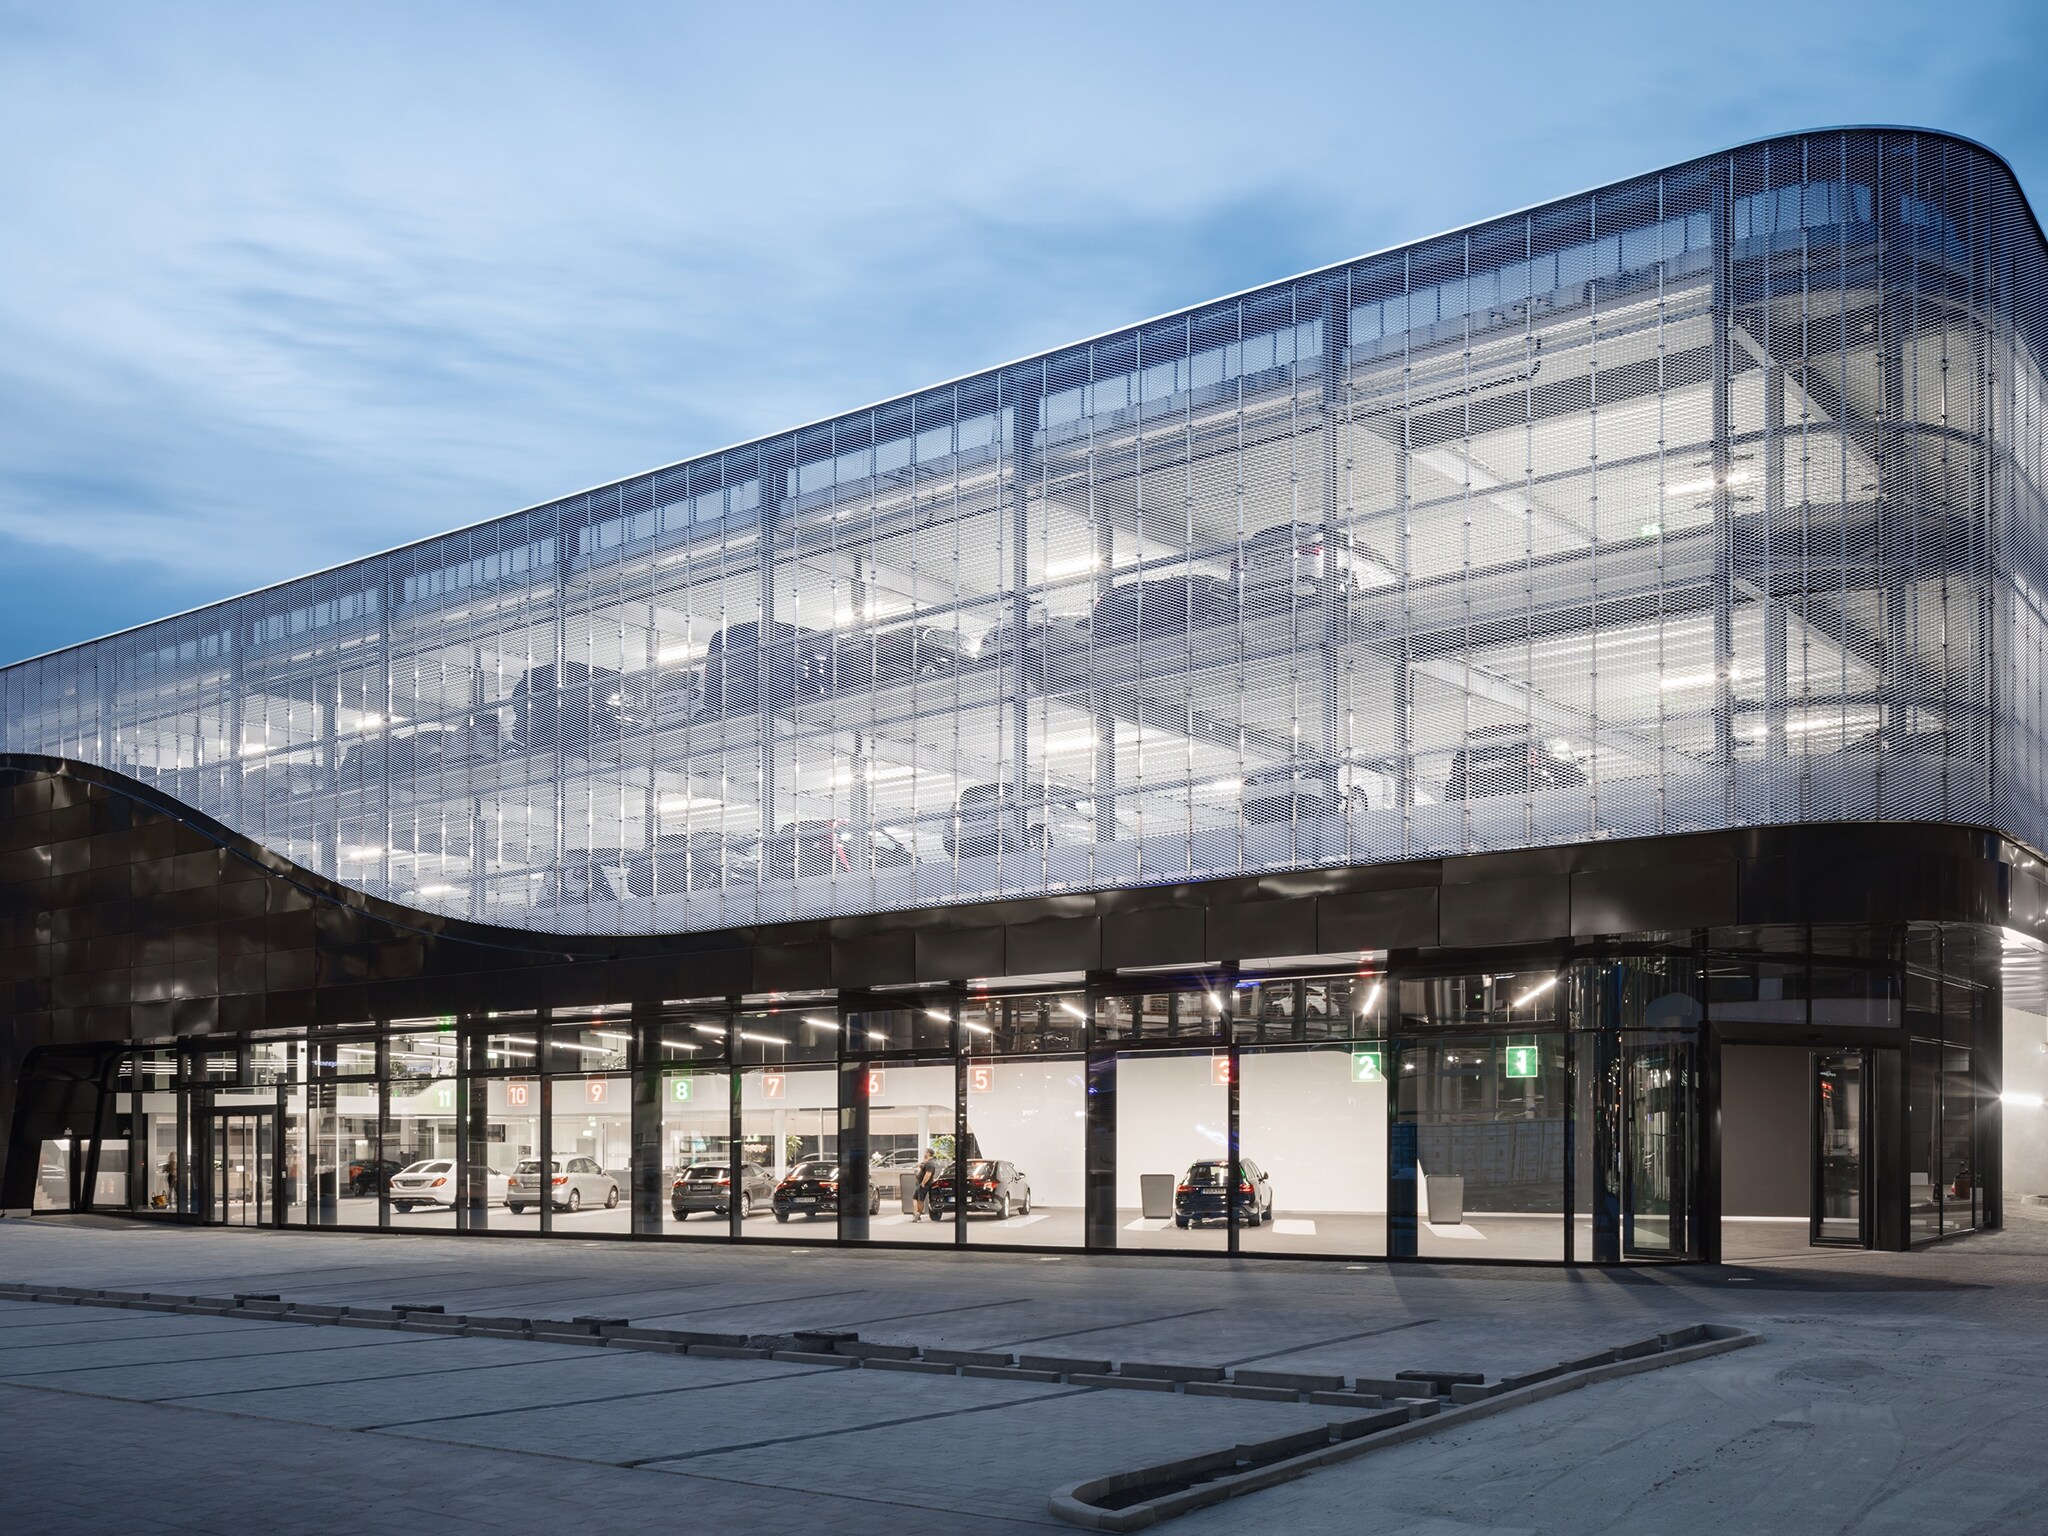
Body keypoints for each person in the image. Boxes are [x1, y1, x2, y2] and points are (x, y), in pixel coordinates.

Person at [913, 1147, 938, 1221]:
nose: (924, 1153)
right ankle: (916, 1212)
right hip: (920, 1183)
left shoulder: (930, 1164)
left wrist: (923, 1183)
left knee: (920, 1199)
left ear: (928, 1153)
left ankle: (918, 1213)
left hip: (923, 1184)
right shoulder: (927, 1162)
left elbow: (928, 1174)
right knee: (915, 1198)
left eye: (925, 1152)